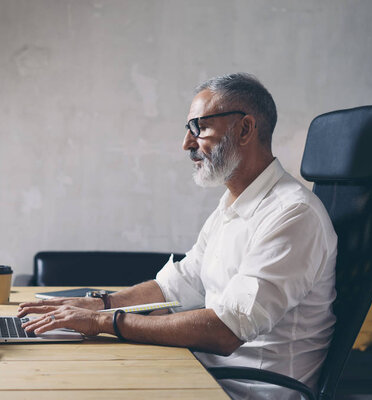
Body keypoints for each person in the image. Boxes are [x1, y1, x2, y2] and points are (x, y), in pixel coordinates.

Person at [17, 73, 337, 399]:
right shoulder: (232, 207)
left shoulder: (293, 215)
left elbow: (227, 330)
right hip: (201, 374)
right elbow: (174, 286)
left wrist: (104, 322)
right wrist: (98, 304)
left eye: (199, 127)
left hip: (245, 391)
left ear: (245, 129)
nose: (186, 143)